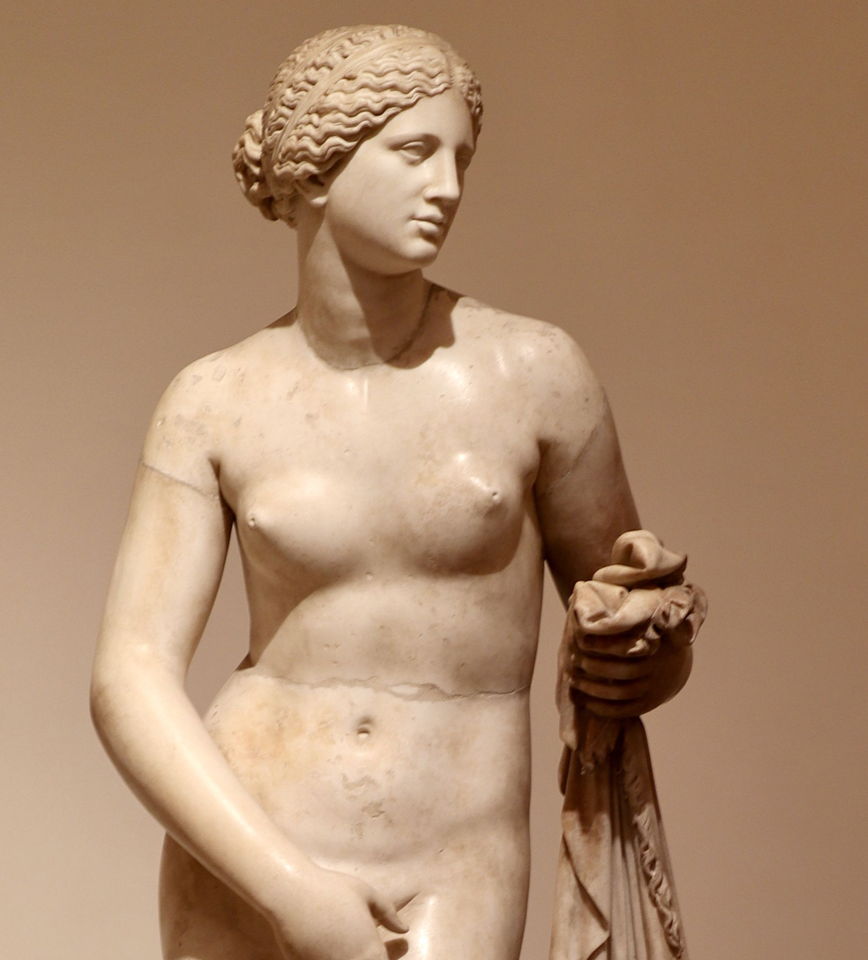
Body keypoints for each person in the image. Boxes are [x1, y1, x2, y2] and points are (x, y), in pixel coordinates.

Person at [90, 24, 692, 960]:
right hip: (247, 852)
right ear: (317, 167)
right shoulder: (213, 400)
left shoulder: (533, 375)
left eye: (462, 158)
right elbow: (129, 677)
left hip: (452, 854)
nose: (447, 186)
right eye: (414, 152)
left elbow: (624, 612)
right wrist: (288, 891)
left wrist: (648, 650)